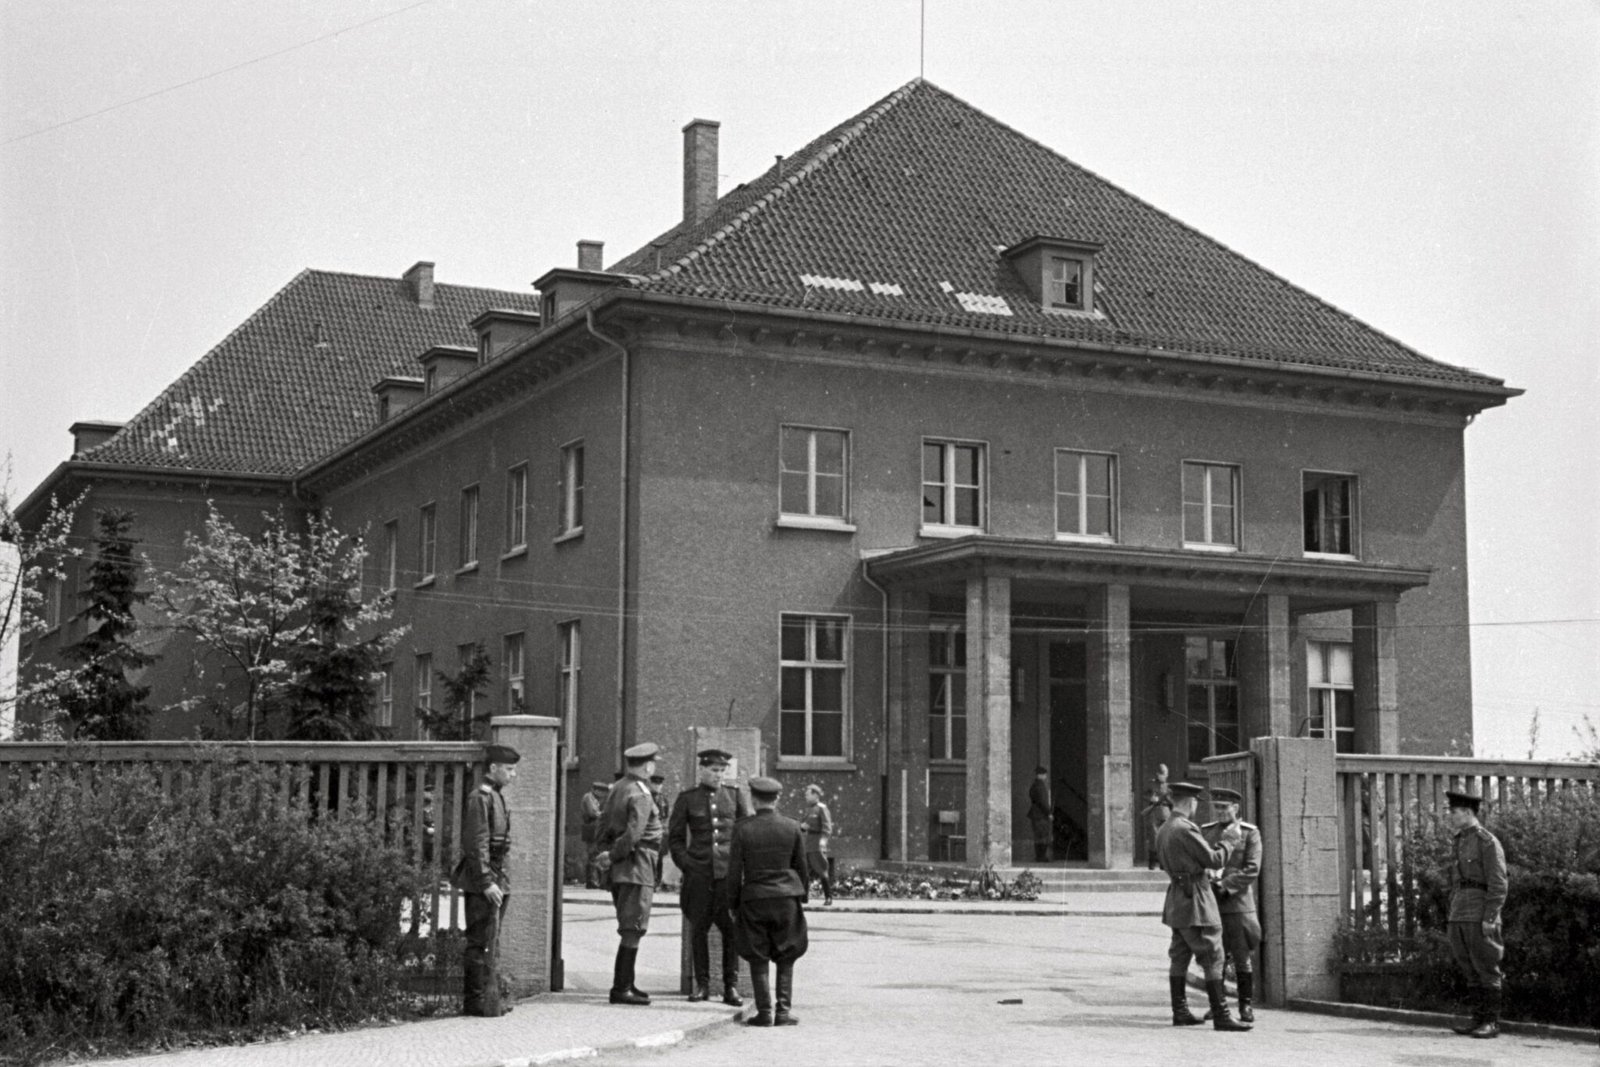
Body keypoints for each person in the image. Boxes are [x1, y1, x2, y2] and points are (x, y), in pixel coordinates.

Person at [1156, 781, 1250, 1032]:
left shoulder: (1165, 828)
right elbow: (1215, 859)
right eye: (1196, 801)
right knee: (1213, 955)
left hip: (1177, 899)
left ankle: (1181, 1011)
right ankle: (1221, 1014)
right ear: (1190, 802)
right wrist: (1229, 840)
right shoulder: (1185, 829)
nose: (1197, 806)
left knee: (1179, 955)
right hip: (1196, 900)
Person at [667, 747, 751, 1005]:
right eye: (713, 770)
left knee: (731, 930)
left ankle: (730, 987)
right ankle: (701, 985)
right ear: (702, 770)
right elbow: (676, 838)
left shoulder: (735, 796)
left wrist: (741, 868)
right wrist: (687, 864)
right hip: (699, 875)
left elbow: (745, 833)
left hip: (727, 875)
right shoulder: (687, 798)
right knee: (699, 929)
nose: (718, 775)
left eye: (721, 770)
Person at [728, 776, 810, 1027]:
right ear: (777, 799)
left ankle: (764, 1013)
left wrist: (733, 903)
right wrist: (802, 896)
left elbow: (734, 871)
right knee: (786, 955)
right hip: (786, 899)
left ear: (753, 800)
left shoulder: (742, 828)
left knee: (757, 956)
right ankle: (783, 1012)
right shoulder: (792, 827)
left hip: (754, 899)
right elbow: (802, 867)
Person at [450, 743, 519, 1017]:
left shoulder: (496, 796)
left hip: (497, 876)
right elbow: (477, 844)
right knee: (479, 940)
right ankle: (475, 1001)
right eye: (509, 769)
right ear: (494, 768)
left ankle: (489, 997)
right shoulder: (481, 797)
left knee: (492, 938)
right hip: (484, 881)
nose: (513, 774)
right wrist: (487, 882)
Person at [597, 742, 664, 1006]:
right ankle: (621, 988)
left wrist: (604, 855)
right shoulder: (641, 793)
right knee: (634, 927)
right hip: (638, 865)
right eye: (653, 763)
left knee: (630, 924)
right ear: (648, 766)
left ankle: (628, 983)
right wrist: (613, 855)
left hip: (622, 868)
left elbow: (603, 824)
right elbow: (635, 834)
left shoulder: (619, 788)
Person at [1442, 789, 1507, 1040]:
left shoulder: (1486, 841)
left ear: (1468, 813)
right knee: (1468, 967)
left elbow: (1499, 882)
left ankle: (1491, 1023)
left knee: (1486, 966)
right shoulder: (1460, 840)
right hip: (1459, 911)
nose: (1451, 817)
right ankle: (1477, 1019)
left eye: (1455, 812)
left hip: (1479, 912)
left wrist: (1491, 916)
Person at [1202, 787, 1262, 1022]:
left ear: (1236, 809)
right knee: (1214, 956)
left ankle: (1245, 1006)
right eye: (1216, 807)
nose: (1220, 812)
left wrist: (1226, 885)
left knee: (1241, 956)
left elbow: (1252, 869)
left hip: (1237, 904)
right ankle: (1217, 1004)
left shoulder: (1249, 834)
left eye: (1224, 808)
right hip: (1211, 904)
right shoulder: (1206, 832)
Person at [800, 783, 835, 905]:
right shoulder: (808, 809)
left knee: (822, 870)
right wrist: (802, 827)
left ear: (815, 795)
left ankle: (828, 897)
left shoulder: (821, 808)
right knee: (804, 871)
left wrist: (823, 842)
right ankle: (804, 897)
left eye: (808, 794)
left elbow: (827, 828)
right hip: (807, 844)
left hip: (817, 844)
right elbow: (804, 825)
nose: (806, 796)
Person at [1140, 772, 1172, 871]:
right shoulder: (1152, 785)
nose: (1162, 776)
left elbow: (1173, 801)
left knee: (1164, 837)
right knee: (1153, 837)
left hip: (1165, 811)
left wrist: (1167, 799)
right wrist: (1151, 799)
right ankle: (1152, 863)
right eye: (1160, 774)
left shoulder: (1169, 787)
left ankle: (1163, 863)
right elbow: (1143, 794)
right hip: (1154, 811)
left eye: (1164, 774)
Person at [580, 780, 608, 889]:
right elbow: (593, 813)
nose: (603, 794)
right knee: (592, 854)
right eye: (601, 791)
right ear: (595, 790)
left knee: (594, 854)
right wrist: (603, 814)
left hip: (594, 828)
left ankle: (594, 880)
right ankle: (592, 881)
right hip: (591, 828)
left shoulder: (593, 798)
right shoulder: (588, 797)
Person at [1027, 766, 1053, 863]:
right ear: (1041, 775)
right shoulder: (1040, 786)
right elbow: (1043, 801)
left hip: (1036, 813)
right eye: (1044, 774)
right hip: (1040, 814)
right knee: (1043, 835)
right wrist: (1049, 813)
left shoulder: (1034, 785)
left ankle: (1040, 856)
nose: (1045, 776)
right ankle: (1041, 856)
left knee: (1039, 836)